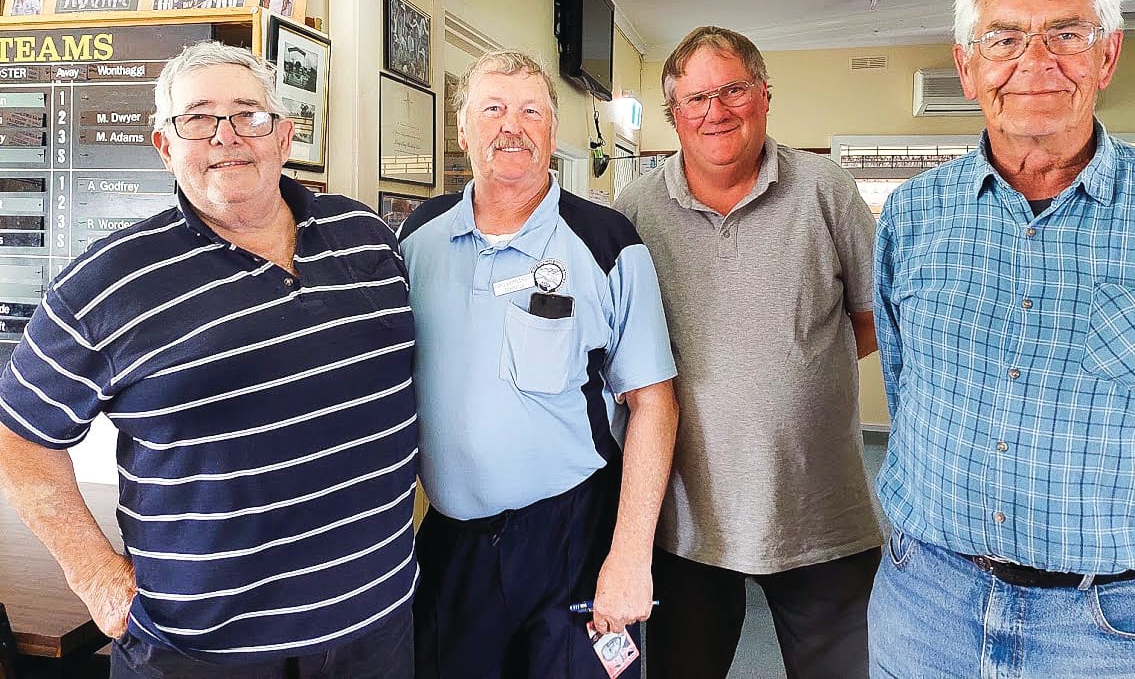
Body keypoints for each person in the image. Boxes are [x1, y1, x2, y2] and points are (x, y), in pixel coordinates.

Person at [0, 43, 419, 678]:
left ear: (284, 136)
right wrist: (97, 579)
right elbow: (20, 438)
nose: (227, 137)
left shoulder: (370, 239)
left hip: (375, 630)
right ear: (165, 146)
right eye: (197, 117)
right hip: (202, 653)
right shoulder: (107, 283)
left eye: (249, 114)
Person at [869, 0, 1135, 678]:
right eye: (1004, 38)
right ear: (968, 64)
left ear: (1106, 55)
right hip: (926, 607)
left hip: (1117, 632)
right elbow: (905, 382)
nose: (1034, 61)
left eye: (1065, 33)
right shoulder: (912, 215)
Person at [399, 50, 678, 679]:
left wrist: (631, 554)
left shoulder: (607, 242)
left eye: (531, 110)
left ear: (553, 131)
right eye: (492, 109)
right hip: (452, 542)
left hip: (574, 536)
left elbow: (654, 402)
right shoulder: (417, 239)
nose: (511, 125)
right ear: (463, 128)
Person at [614, 27, 882, 679]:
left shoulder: (826, 189)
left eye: (734, 88)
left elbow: (873, 317)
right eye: (697, 97)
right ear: (674, 114)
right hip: (684, 517)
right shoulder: (637, 208)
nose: (717, 110)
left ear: (765, 95)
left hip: (820, 511)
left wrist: (795, 370)